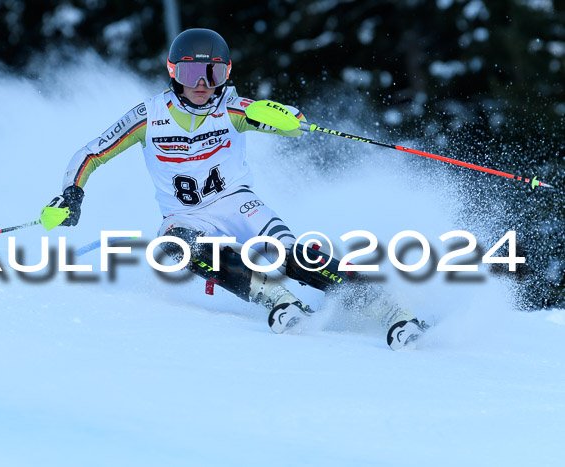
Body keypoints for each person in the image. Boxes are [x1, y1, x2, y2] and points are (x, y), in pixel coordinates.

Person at [45, 28, 427, 349]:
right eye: (191, 72)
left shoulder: (231, 108)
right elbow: (91, 153)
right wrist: (71, 194)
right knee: (174, 247)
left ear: (226, 74)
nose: (201, 84)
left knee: (289, 255)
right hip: (186, 216)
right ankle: (276, 299)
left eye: (213, 74)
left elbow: (291, 120)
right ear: (172, 71)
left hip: (238, 205)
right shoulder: (149, 116)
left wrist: (282, 116)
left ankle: (391, 310)